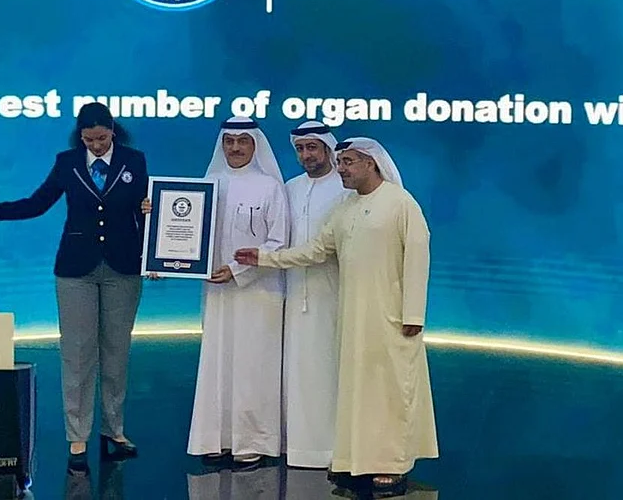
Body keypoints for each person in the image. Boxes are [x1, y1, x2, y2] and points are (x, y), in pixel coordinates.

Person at [235, 137, 438, 498]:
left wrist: (413, 314)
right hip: (353, 317)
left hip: (392, 319)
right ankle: (355, 460)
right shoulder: (345, 207)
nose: (341, 169)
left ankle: (392, 465)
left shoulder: (401, 203)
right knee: (358, 391)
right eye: (340, 162)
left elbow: (418, 259)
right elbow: (316, 250)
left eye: (348, 162)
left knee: (391, 391)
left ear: (371, 163)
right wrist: (264, 258)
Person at [0, 102, 148, 469]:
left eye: (102, 138)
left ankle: (114, 430)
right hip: (75, 270)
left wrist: (154, 248)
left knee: (116, 353)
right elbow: (37, 204)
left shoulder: (134, 160)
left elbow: (146, 210)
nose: (96, 145)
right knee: (77, 354)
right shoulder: (67, 162)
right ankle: (77, 436)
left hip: (124, 268)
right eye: (89, 139)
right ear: (80, 136)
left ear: (113, 130)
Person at [183, 116, 290, 468]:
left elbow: (278, 242)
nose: (235, 148)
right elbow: (184, 233)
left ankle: (252, 441)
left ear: (255, 145)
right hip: (217, 291)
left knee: (252, 365)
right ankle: (215, 439)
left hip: (259, 292)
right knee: (218, 362)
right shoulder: (208, 185)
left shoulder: (270, 187)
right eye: (229, 141)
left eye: (243, 141)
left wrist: (237, 270)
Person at [282, 121, 348, 469]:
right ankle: (300, 448)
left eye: (312, 148)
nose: (306, 155)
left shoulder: (346, 187)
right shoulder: (290, 188)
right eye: (300, 149)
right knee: (299, 371)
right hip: (295, 292)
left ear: (327, 149)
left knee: (331, 370)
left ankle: (337, 449)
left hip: (335, 292)